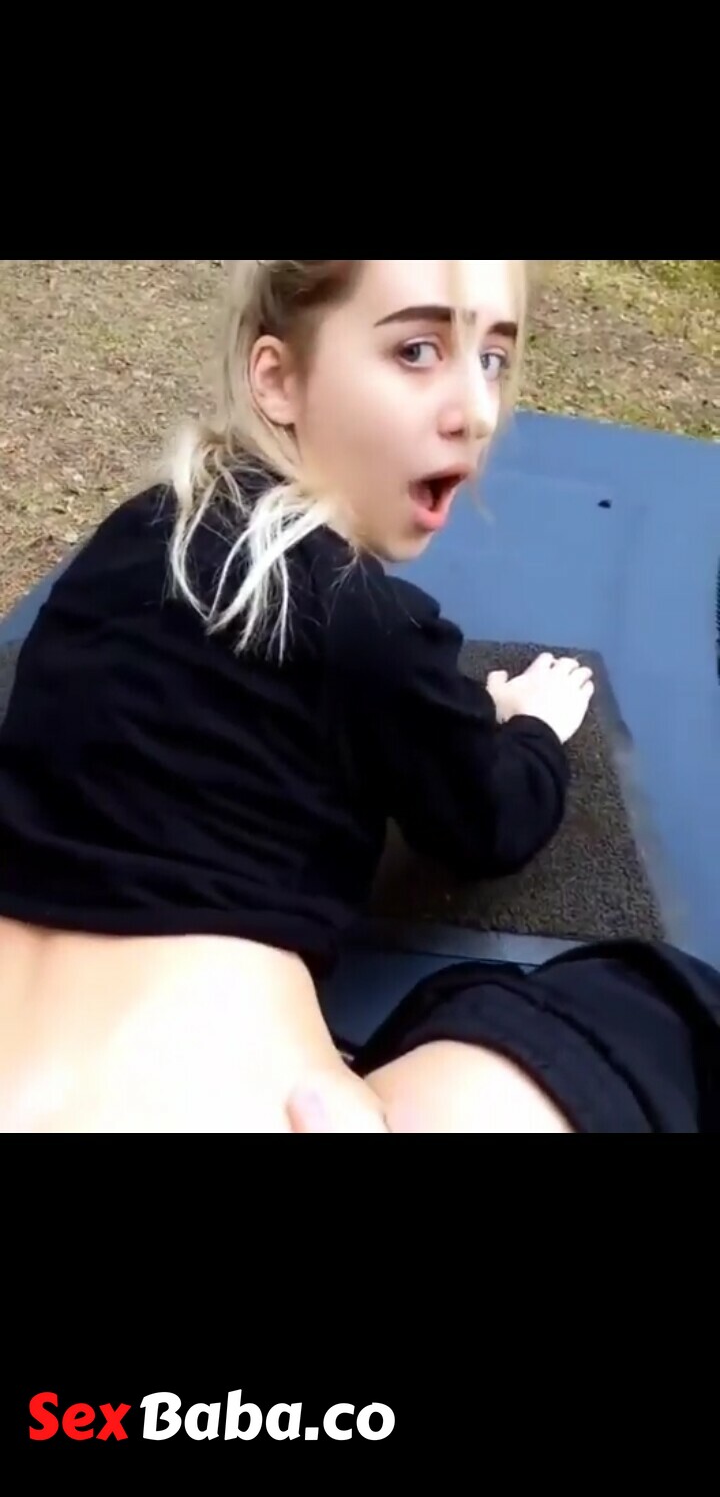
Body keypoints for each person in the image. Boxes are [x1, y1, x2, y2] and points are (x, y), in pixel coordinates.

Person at [0, 259, 716, 1134]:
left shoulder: (133, 532)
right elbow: (493, 818)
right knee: (648, 1004)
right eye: (417, 351)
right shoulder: (365, 624)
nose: (477, 410)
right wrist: (532, 726)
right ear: (277, 378)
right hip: (226, 1095)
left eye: (493, 359)